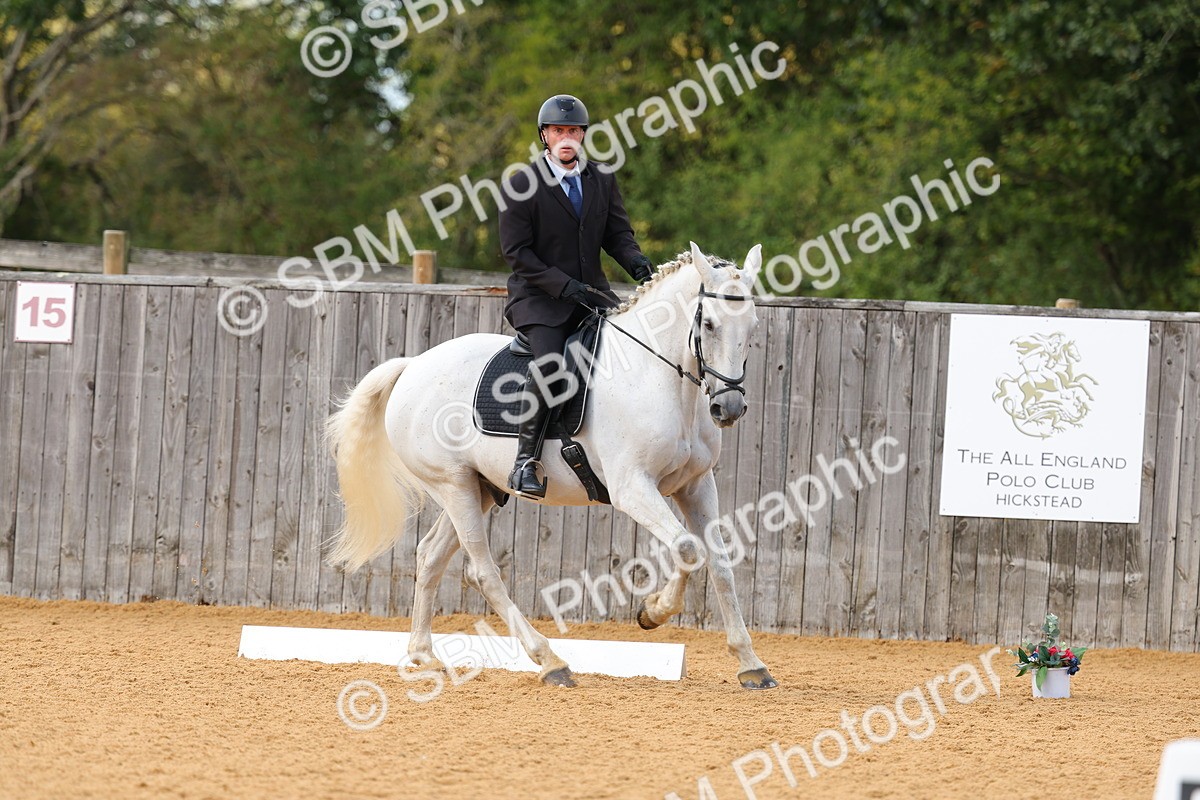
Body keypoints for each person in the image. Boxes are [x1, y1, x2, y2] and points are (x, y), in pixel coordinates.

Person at [498, 93, 654, 498]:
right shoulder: (520, 184)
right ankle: (524, 462)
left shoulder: (600, 179)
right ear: (545, 136)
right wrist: (560, 284)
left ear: (582, 135)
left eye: (573, 131)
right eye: (558, 131)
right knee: (551, 366)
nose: (566, 137)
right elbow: (517, 253)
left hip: (590, 295)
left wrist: (635, 262)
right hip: (539, 300)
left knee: (635, 352)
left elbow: (617, 235)